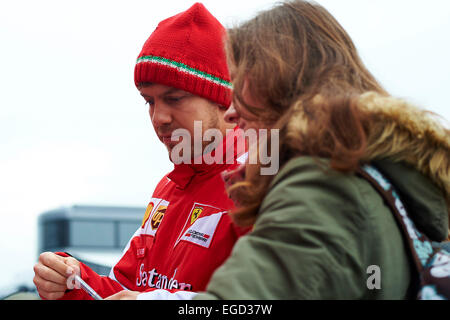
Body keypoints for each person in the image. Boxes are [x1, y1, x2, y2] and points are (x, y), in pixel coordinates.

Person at [137, 0, 449, 300]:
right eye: (148, 101)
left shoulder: (323, 186)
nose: (232, 111)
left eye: (242, 81)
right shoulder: (379, 178)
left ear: (280, 84)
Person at [32, 2, 248, 300]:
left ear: (222, 99)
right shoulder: (168, 188)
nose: (159, 118)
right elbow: (126, 290)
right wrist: (75, 283)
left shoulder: (263, 181)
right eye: (149, 101)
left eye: (174, 99)